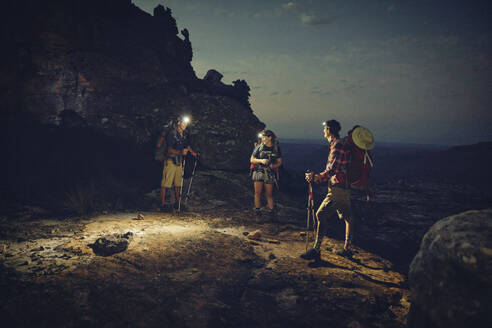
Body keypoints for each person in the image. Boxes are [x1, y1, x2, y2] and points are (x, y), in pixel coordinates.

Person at [301, 119, 353, 262]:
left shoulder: (337, 145)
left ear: (329, 130)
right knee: (348, 218)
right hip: (343, 187)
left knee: (320, 215)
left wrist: (316, 177)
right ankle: (347, 249)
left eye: (325, 128)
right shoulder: (340, 145)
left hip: (338, 188)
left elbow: (332, 170)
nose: (323, 131)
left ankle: (316, 250)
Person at [160, 115, 197, 212]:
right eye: (183, 123)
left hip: (179, 161)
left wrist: (192, 152)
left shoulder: (184, 134)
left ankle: (177, 204)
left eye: (186, 123)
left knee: (178, 183)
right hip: (170, 160)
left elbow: (186, 145)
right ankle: (162, 204)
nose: (185, 125)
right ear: (178, 123)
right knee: (166, 183)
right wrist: (180, 152)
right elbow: (169, 149)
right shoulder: (172, 134)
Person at [250, 130, 282, 217]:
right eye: (262, 137)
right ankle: (257, 211)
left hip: (269, 173)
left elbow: (279, 162)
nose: (263, 139)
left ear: (270, 137)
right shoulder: (259, 147)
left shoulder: (275, 148)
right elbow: (252, 159)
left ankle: (271, 212)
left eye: (264, 137)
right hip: (259, 171)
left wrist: (273, 166)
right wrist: (261, 160)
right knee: (257, 192)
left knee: (269, 194)